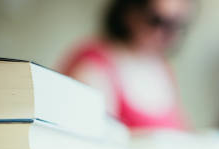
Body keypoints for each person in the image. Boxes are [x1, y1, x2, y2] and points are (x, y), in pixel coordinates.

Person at [60, 0, 194, 130]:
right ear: (131, 12)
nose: (166, 33)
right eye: (156, 20)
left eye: (176, 25)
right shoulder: (93, 64)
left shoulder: (163, 69)